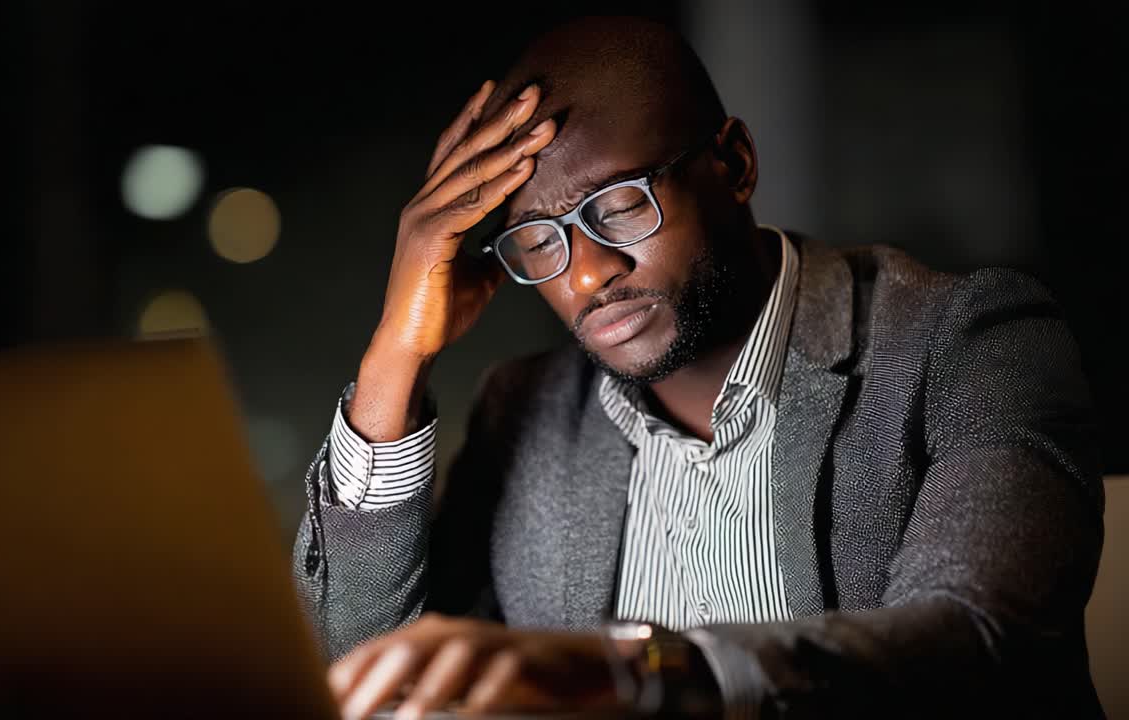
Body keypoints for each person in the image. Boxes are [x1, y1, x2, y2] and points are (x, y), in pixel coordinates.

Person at [293, 16, 1105, 720]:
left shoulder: (974, 340)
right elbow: (363, 678)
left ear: (736, 164)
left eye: (617, 207)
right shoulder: (526, 408)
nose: (584, 275)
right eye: (539, 239)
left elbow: (976, 642)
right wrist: (397, 351)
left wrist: (631, 674)